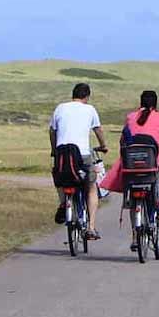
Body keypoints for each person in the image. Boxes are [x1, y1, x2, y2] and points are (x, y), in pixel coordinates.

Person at [99, 90, 159, 220]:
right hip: (152, 160)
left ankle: (134, 235)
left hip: (130, 161)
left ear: (141, 102)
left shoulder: (131, 116)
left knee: (132, 195)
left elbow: (122, 140)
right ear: (155, 104)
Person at [49, 83, 108, 239]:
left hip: (62, 153)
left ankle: (63, 203)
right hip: (82, 155)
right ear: (86, 97)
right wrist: (103, 146)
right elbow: (98, 130)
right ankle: (91, 227)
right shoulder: (89, 109)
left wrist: (55, 150)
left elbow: (52, 131)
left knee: (59, 177)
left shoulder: (60, 108)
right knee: (91, 186)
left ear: (73, 95)